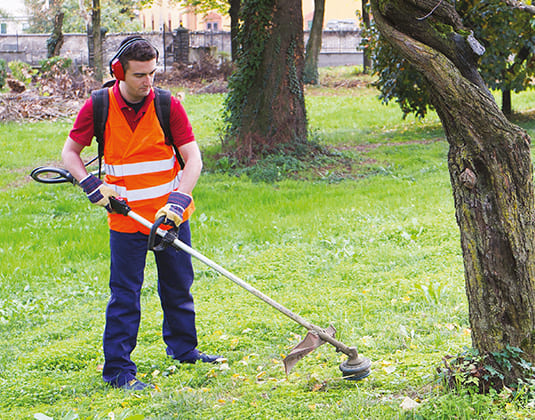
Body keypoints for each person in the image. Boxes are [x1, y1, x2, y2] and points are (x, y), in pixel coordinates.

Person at [62, 36, 221, 391]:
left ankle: (184, 350)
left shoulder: (167, 105)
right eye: (139, 75)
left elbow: (193, 158)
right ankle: (119, 370)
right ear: (119, 71)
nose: (148, 82)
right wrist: (90, 183)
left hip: (169, 217)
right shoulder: (99, 106)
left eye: (152, 73)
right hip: (126, 218)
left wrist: (179, 201)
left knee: (179, 286)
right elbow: (70, 153)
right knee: (125, 294)